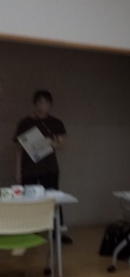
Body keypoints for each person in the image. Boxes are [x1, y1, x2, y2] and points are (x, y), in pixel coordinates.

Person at [14, 89, 72, 244]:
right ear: (35, 104)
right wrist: (18, 171)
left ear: (50, 105)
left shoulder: (56, 122)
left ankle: (57, 231)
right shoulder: (25, 123)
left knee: (53, 199)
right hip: (29, 168)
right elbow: (19, 149)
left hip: (49, 168)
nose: (42, 106)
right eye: (39, 102)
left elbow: (62, 144)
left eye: (46, 102)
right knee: (28, 201)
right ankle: (29, 231)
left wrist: (48, 142)